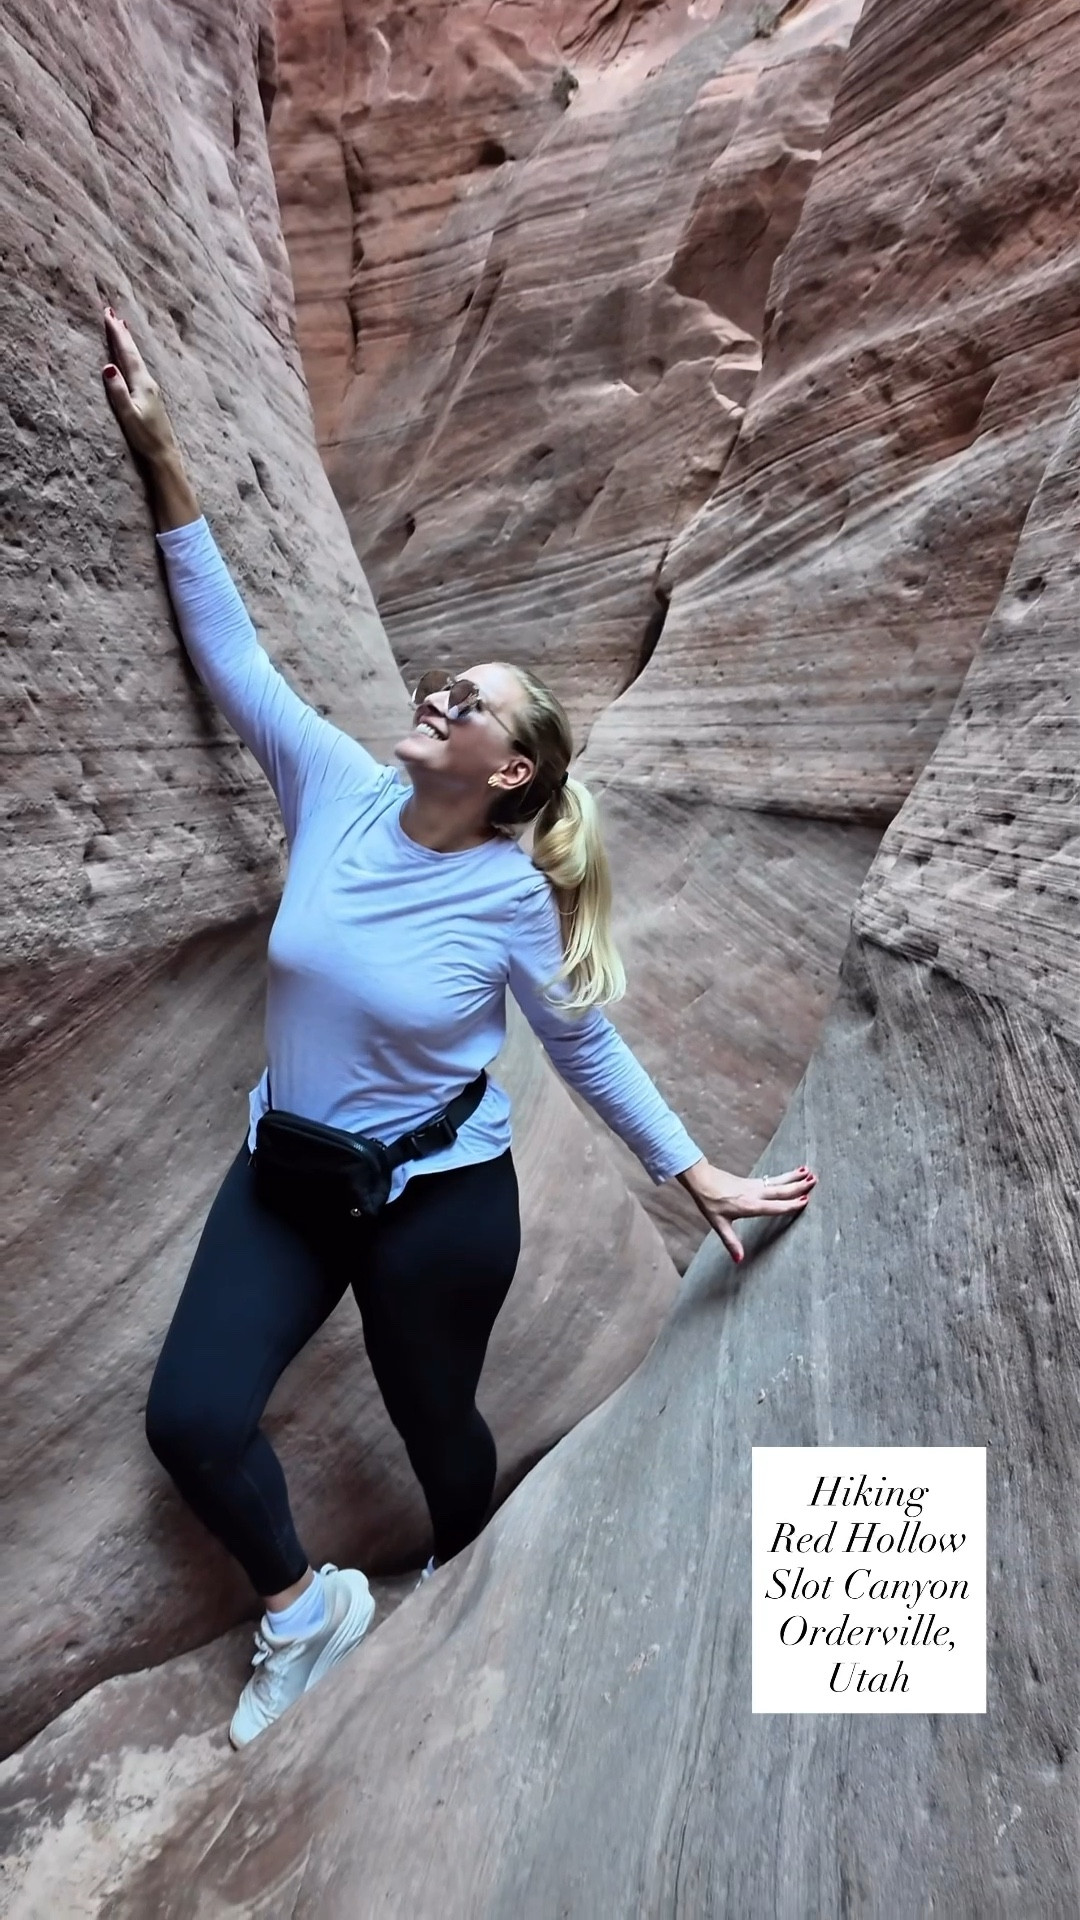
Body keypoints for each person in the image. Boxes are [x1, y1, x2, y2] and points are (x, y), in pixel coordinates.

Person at [99, 307, 818, 1747]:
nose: (441, 694)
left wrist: (697, 1174)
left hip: (437, 1205)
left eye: (472, 701)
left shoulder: (507, 896)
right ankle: (307, 1610)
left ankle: (456, 1584)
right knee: (191, 1419)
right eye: (447, 683)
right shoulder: (337, 785)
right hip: (291, 1179)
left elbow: (586, 1047)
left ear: (511, 771)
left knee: (440, 1426)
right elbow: (233, 656)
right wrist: (161, 447)